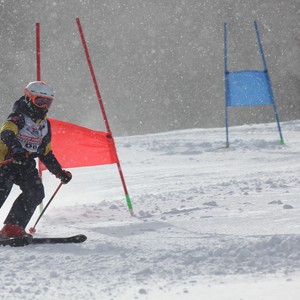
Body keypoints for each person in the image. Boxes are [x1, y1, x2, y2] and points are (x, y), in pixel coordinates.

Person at [0, 81, 72, 239]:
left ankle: (12, 229)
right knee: (1, 190)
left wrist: (59, 172)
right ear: (28, 98)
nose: (44, 107)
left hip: (24, 163)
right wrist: (17, 149)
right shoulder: (17, 117)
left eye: (48, 103)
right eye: (40, 101)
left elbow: (45, 152)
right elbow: (6, 133)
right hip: (5, 161)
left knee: (35, 191)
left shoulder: (45, 125)